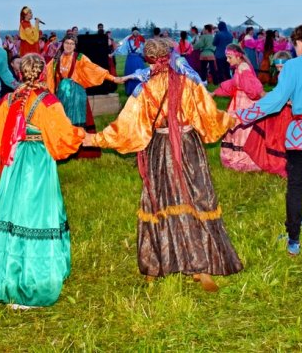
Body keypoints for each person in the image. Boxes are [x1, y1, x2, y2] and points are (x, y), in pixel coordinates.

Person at [92, 38, 242, 291]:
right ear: (169, 55)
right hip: (188, 146)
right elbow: (208, 116)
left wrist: (95, 139)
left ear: (148, 59)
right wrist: (228, 120)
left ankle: (156, 265)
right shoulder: (188, 81)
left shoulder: (145, 88)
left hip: (160, 149)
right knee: (196, 197)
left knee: (160, 200)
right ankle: (202, 266)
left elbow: (127, 127)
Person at [0, 54, 86, 309]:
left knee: (13, 211)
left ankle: (5, 277)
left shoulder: (9, 99)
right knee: (38, 214)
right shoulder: (48, 102)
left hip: (16, 159)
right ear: (42, 73)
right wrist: (81, 134)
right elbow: (64, 140)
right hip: (39, 162)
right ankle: (34, 282)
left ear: (20, 73)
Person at [235, 24, 302, 272]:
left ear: (297, 44)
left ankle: (293, 241)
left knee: (296, 187)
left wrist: (243, 115)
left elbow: (276, 100)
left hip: (299, 135)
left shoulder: (293, 66)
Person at [45, 34, 127, 159]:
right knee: (64, 120)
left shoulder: (79, 58)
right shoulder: (56, 59)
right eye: (67, 43)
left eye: (72, 44)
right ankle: (65, 149)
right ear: (63, 44)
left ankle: (79, 150)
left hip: (77, 94)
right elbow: (47, 75)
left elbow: (95, 69)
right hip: (62, 95)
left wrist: (113, 78)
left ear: (75, 46)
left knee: (77, 120)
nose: (69, 46)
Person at [241, 51, 293, 177]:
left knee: (280, 137)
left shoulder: (290, 75)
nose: (279, 70)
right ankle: (276, 162)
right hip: (281, 108)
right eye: (277, 67)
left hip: (286, 111)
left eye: (282, 67)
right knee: (275, 136)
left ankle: (281, 163)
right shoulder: (285, 75)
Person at [213, 44, 263, 172]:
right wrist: (215, 92)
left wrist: (258, 96)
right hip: (238, 102)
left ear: (237, 56)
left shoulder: (243, 68)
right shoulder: (239, 68)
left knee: (241, 130)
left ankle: (243, 160)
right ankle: (235, 157)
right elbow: (233, 84)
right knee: (235, 129)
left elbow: (252, 88)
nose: (227, 60)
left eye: (229, 57)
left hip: (244, 103)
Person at [114, 27, 146, 95]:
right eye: (134, 31)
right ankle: (130, 90)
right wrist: (113, 53)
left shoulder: (142, 40)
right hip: (130, 59)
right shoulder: (128, 40)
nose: (136, 33)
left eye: (137, 31)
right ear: (132, 32)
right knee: (130, 74)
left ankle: (141, 90)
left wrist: (145, 56)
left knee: (140, 74)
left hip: (138, 59)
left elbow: (144, 50)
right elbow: (121, 49)